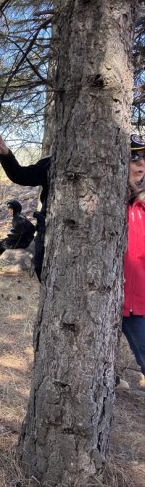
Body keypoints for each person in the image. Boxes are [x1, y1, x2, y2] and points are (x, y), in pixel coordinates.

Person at [0, 130, 50, 280]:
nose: (9, 211)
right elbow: (20, 175)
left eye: (10, 209)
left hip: (22, 242)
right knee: (41, 268)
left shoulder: (19, 219)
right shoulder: (51, 163)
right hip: (48, 230)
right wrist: (5, 153)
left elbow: (22, 232)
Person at [122, 133, 145, 390]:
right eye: (134, 156)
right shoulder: (107, 202)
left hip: (138, 304)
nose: (141, 163)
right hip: (108, 299)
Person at [0, 199, 35, 267]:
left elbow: (18, 232)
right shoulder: (22, 216)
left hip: (20, 243)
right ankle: (2, 262)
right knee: (1, 242)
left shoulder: (17, 218)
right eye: (9, 209)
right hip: (25, 241)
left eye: (11, 209)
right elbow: (32, 228)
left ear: (16, 209)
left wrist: (9, 236)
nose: (9, 211)